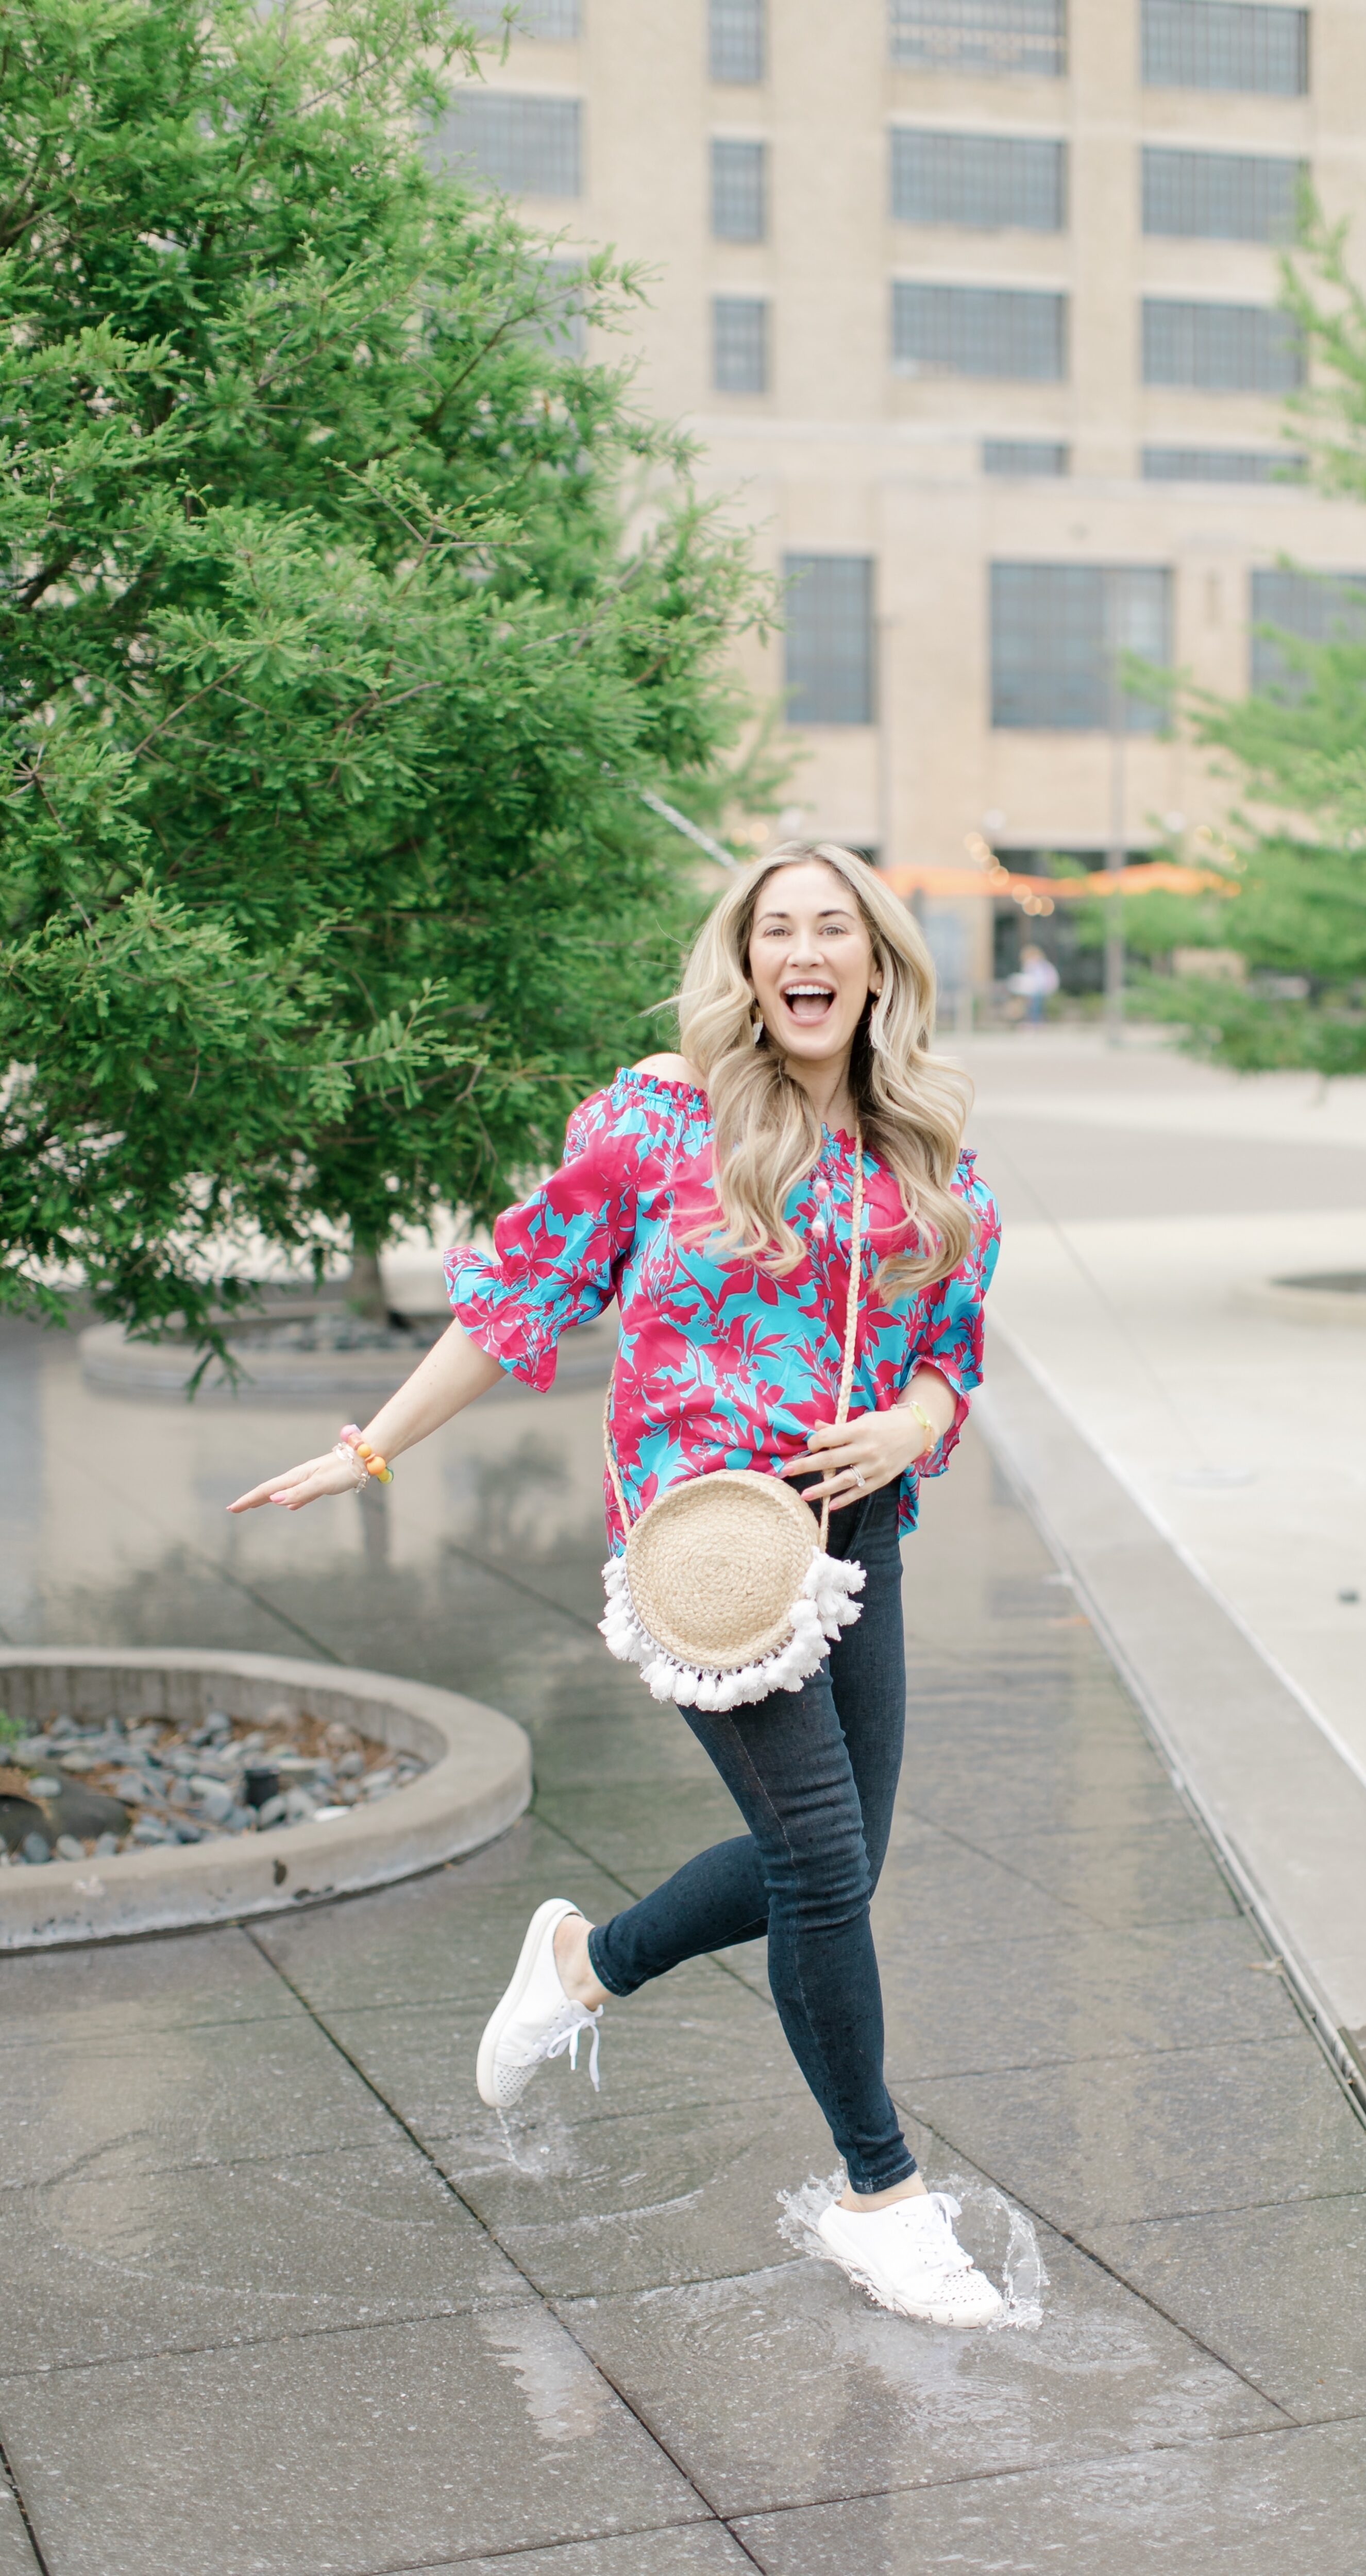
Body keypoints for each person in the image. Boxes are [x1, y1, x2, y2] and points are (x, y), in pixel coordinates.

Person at [230, 842, 1005, 2328]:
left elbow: (944, 1354)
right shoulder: (665, 1117)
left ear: (877, 966)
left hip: (858, 1540)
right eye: (774, 929)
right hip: (704, 1554)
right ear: (743, 961)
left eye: (831, 929)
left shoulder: (926, 1150)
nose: (802, 951)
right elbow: (523, 1289)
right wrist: (369, 1447)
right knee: (825, 1871)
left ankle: (585, 1968)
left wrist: (911, 1421)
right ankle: (881, 2197)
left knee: (828, 1871)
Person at [1008, 941, 1059, 1026]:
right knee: (1026, 1000)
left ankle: (1034, 1022)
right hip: (1037, 989)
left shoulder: (1038, 966)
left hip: (1043, 989)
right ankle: (1029, 1019)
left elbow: (1039, 982)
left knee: (1034, 1000)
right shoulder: (1039, 965)